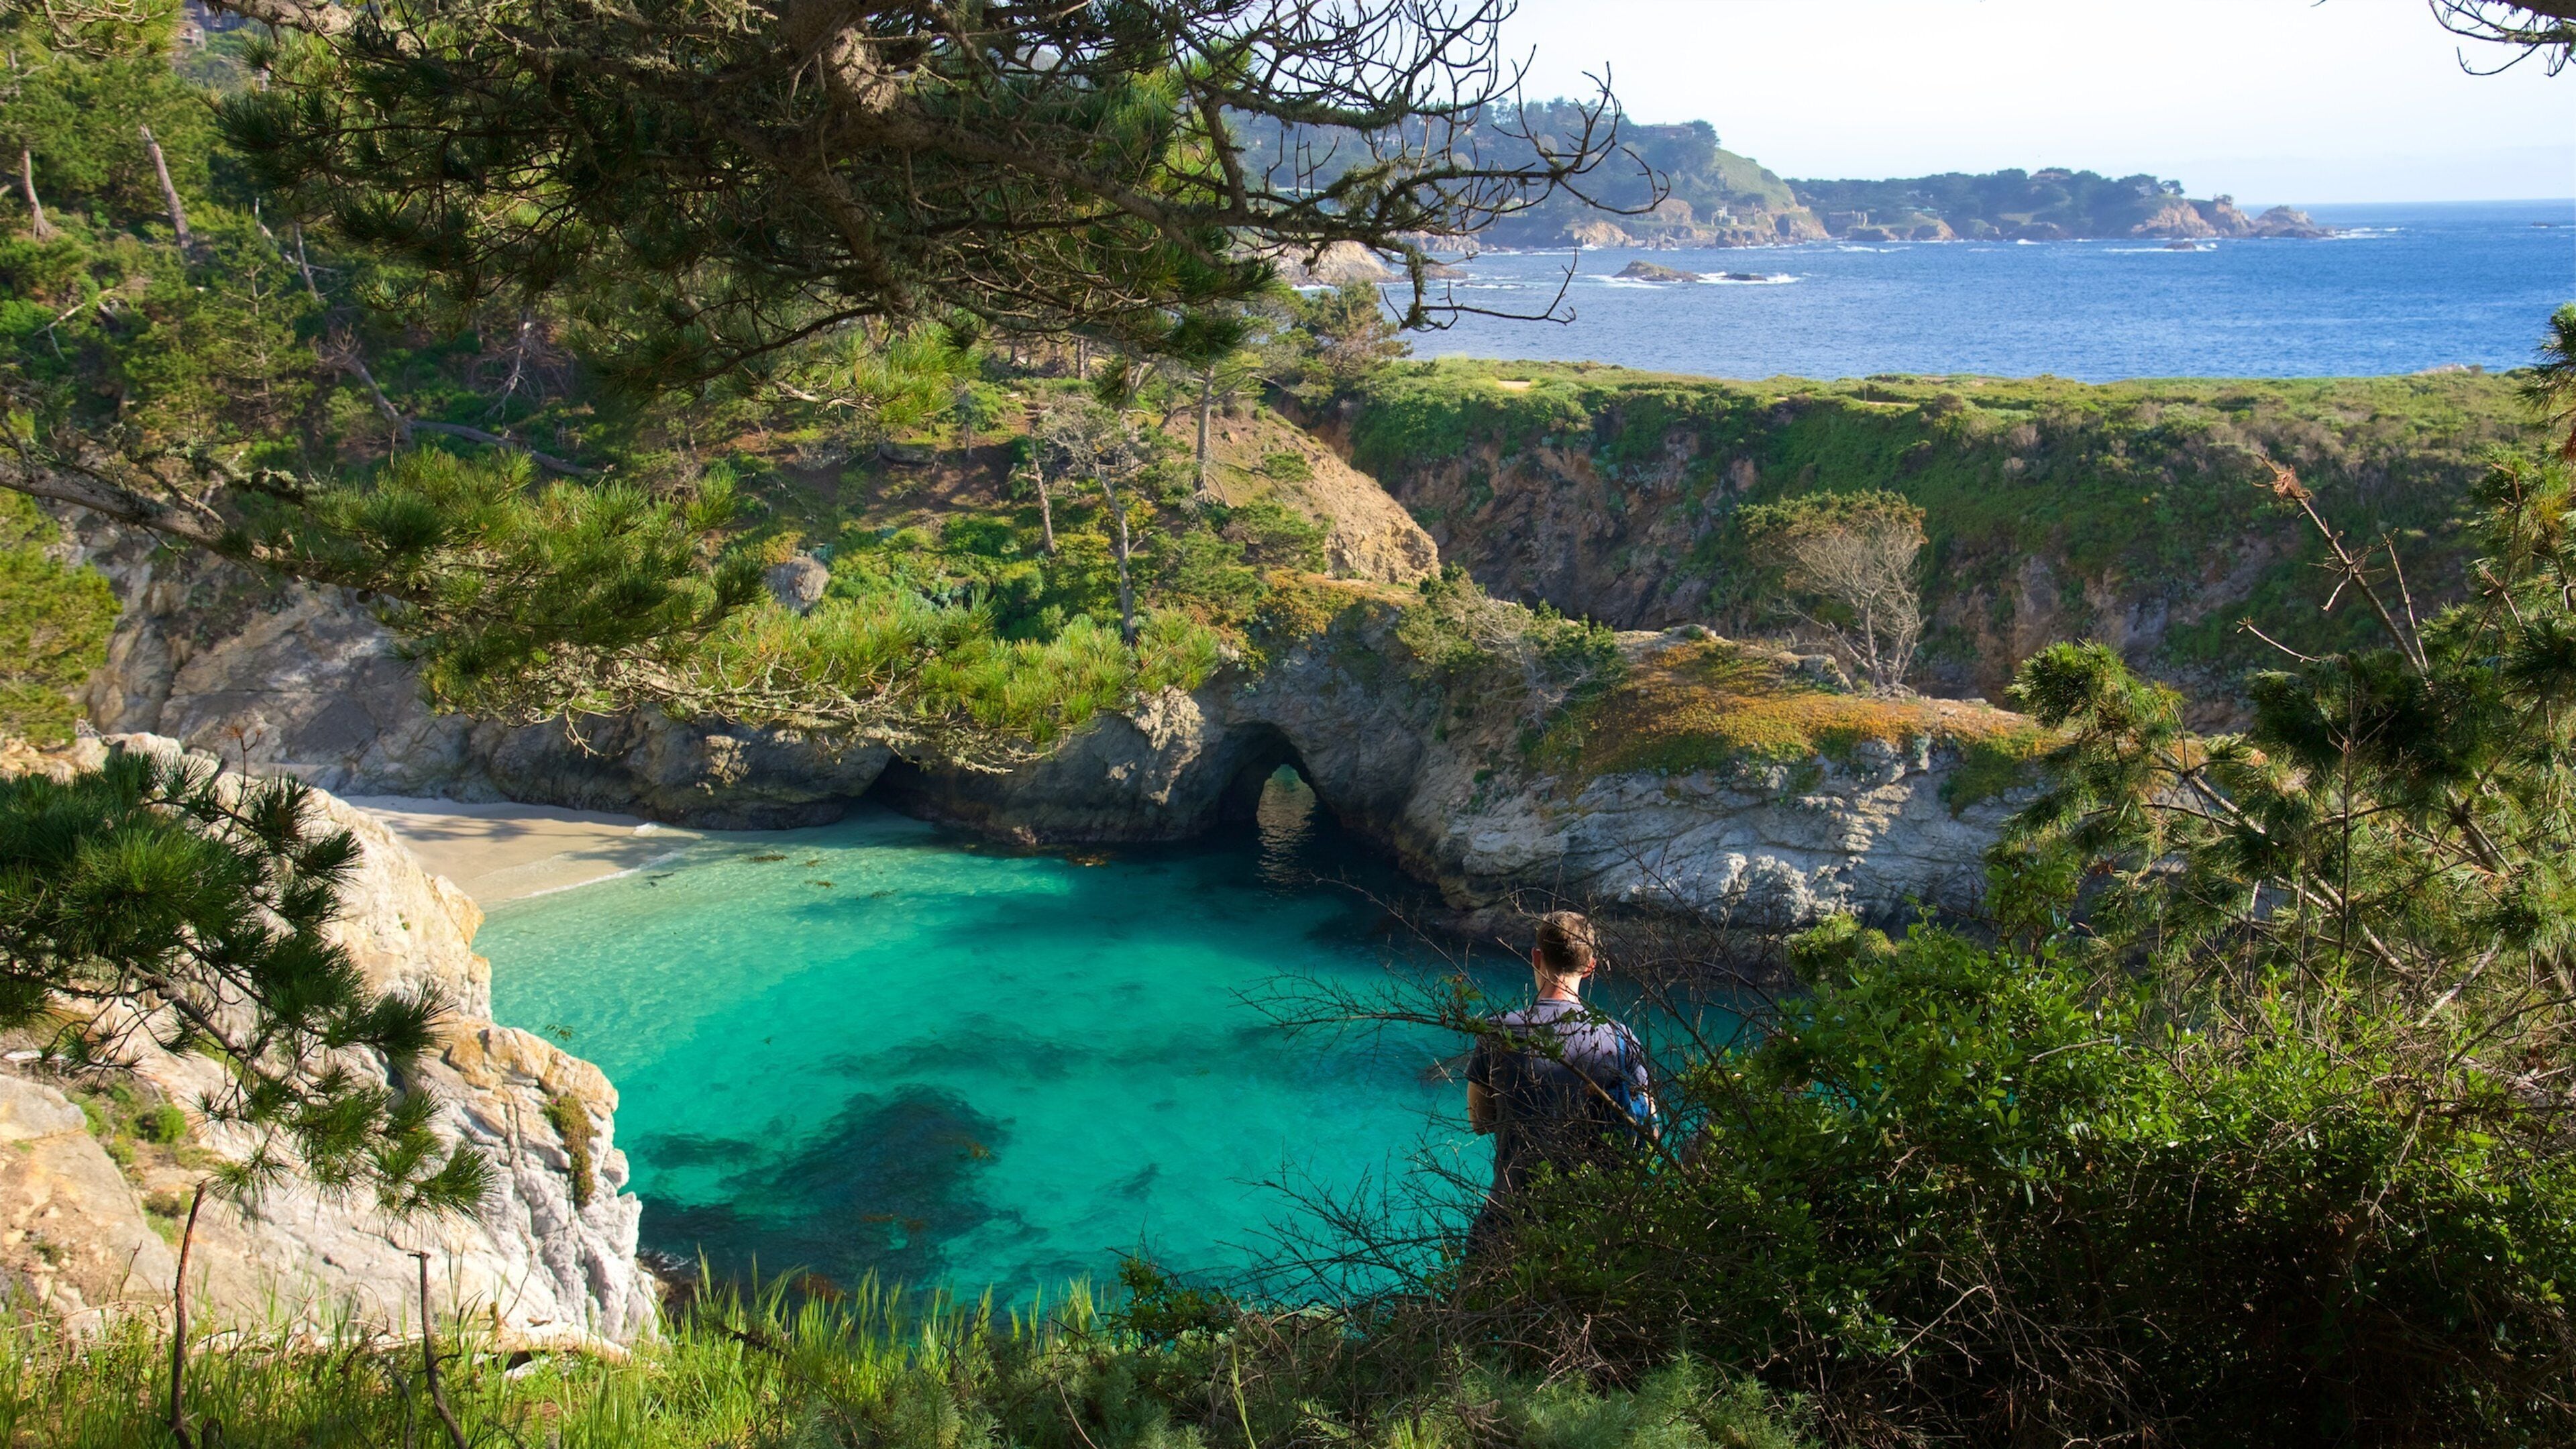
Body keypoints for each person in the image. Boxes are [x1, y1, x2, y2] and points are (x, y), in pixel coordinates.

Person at [1464, 910, 1653, 1261]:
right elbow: (1649, 1126)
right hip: (1594, 1219)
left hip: (1511, 1217)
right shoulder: (1620, 1039)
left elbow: (1479, 1121)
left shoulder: (1499, 1033)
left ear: (1536, 957)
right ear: (1591, 966)